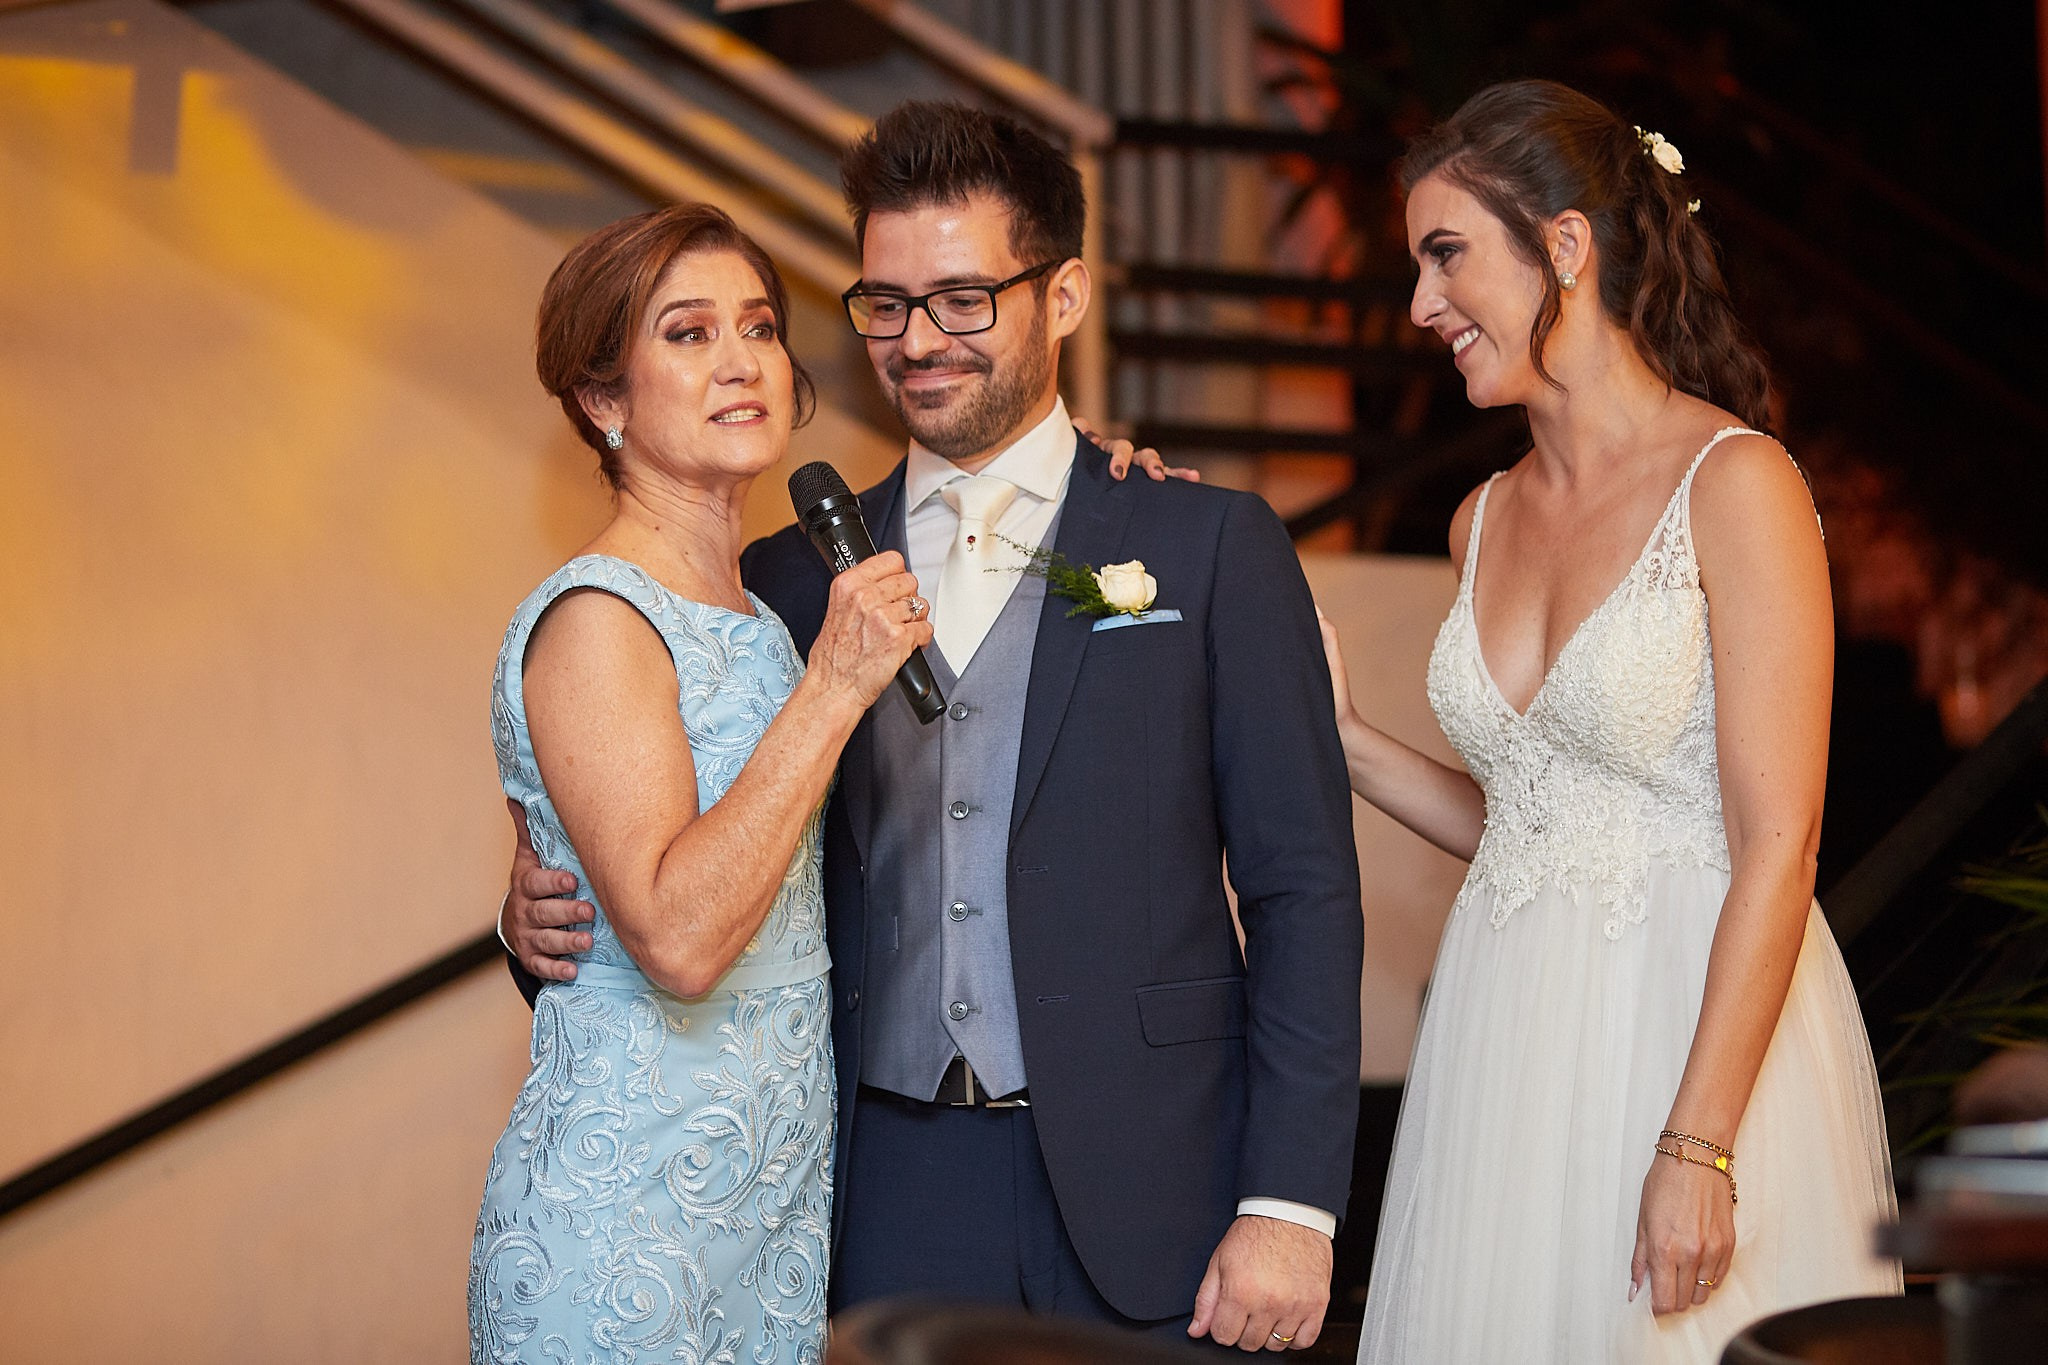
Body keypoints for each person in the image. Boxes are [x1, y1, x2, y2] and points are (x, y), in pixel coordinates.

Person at [504, 101, 1364, 1352]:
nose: (917, 341)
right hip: (875, 1191)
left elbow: (1301, 890)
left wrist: (1289, 1204)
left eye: (962, 300)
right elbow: (667, 847)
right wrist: (533, 913)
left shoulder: (1202, 542)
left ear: (1062, 296)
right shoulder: (777, 584)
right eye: (886, 303)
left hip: (1156, 1180)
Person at [1319, 81, 1900, 1363]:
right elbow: (1527, 821)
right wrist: (1349, 738)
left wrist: (1698, 1143)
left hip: (1686, 1032)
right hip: (1505, 1038)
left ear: (1563, 246)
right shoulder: (1477, 521)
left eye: (1444, 254)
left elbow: (1779, 843)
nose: (1418, 304)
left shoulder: (1734, 483)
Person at [469, 203, 932, 1364]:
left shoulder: (757, 607)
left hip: (764, 1219)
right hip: (626, 1223)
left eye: (759, 327)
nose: (740, 361)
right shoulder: (597, 617)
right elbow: (675, 939)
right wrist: (834, 688)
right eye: (687, 333)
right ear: (603, 399)